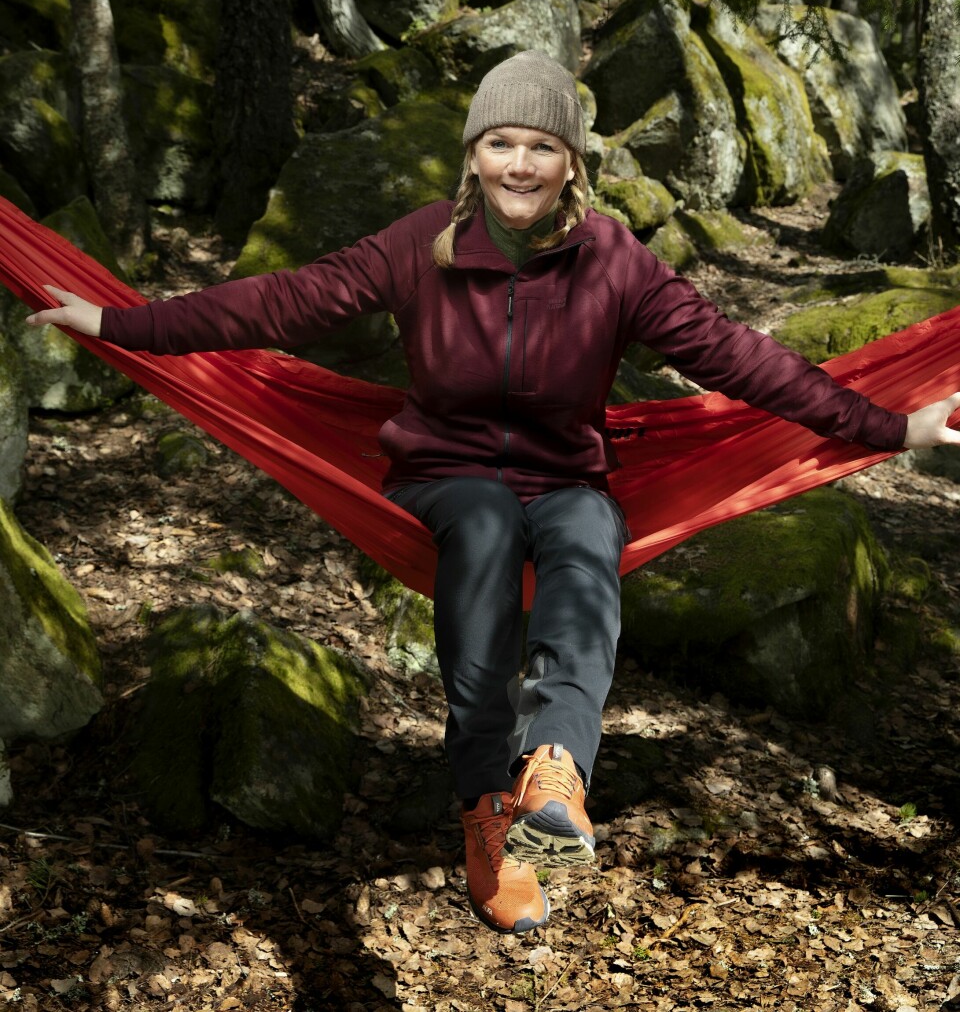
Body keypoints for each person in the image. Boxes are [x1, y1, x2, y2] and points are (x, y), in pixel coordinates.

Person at [26, 50, 960, 936]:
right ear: (473, 154)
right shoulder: (415, 247)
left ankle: (553, 767)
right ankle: (484, 804)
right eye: (501, 142)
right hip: (445, 472)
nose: (521, 163)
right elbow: (274, 303)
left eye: (543, 146)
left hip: (565, 475)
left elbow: (740, 358)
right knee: (477, 532)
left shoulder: (613, 261)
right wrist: (120, 321)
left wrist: (888, 426)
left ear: (571, 164)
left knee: (589, 534)